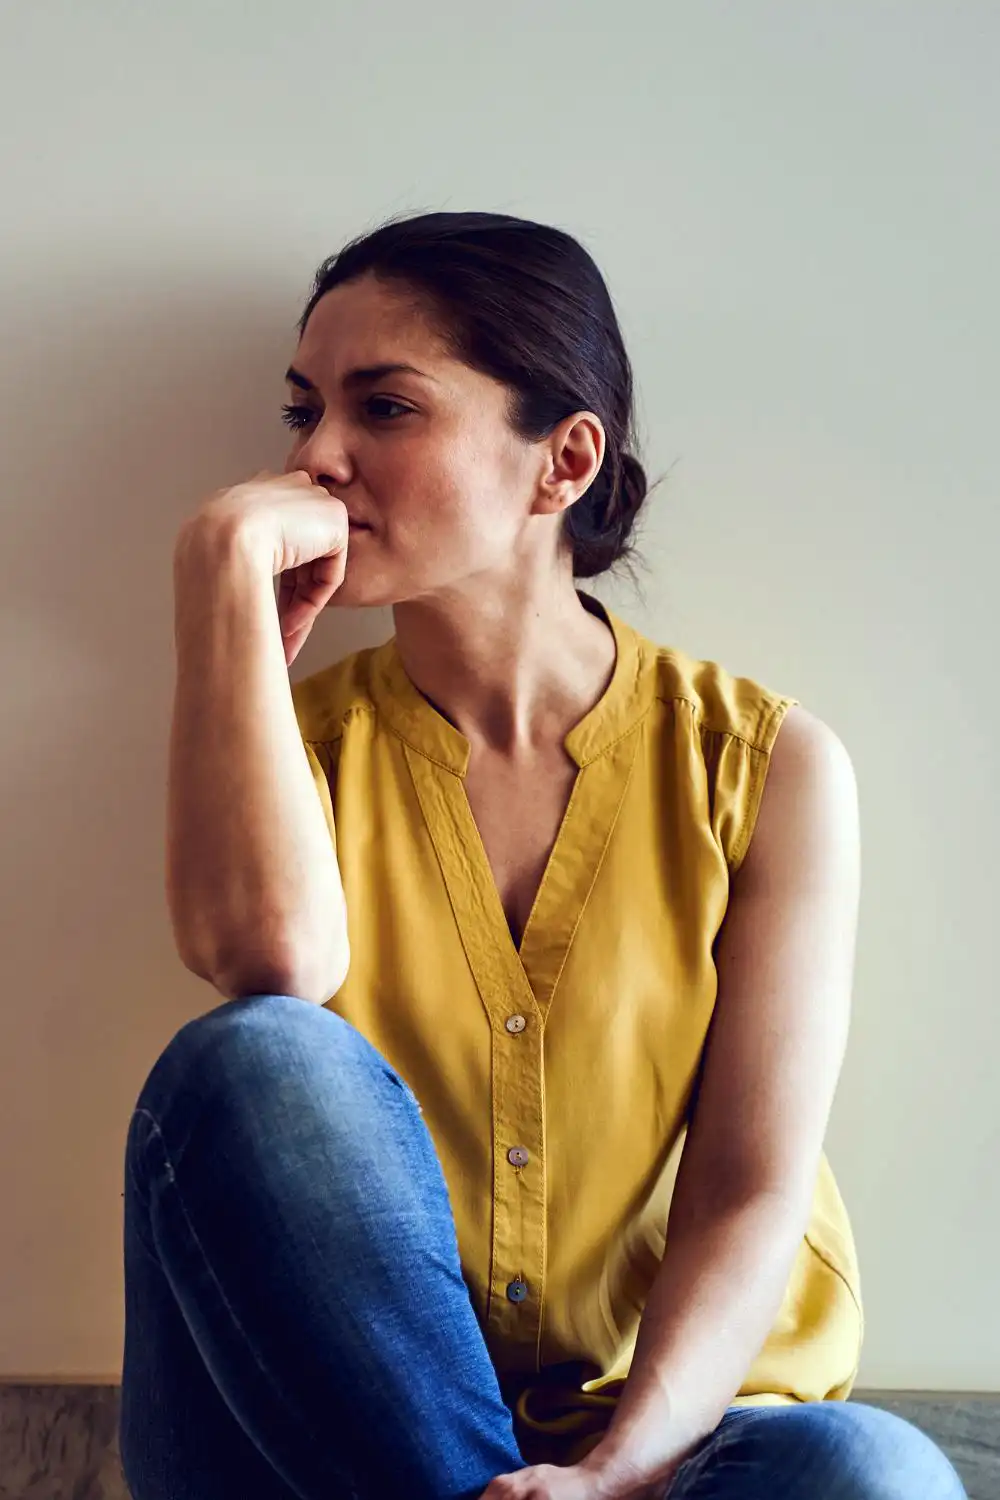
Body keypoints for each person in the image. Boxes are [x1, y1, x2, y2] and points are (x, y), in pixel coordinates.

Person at [119, 212, 966, 1500]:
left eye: (384, 408)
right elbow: (269, 965)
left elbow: (750, 1187)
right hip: (327, 1430)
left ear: (562, 460)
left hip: (677, 1428)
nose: (316, 459)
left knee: (870, 1474)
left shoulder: (766, 769)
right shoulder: (294, 746)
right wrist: (218, 588)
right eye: (302, 412)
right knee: (248, 1058)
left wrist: (620, 1473)